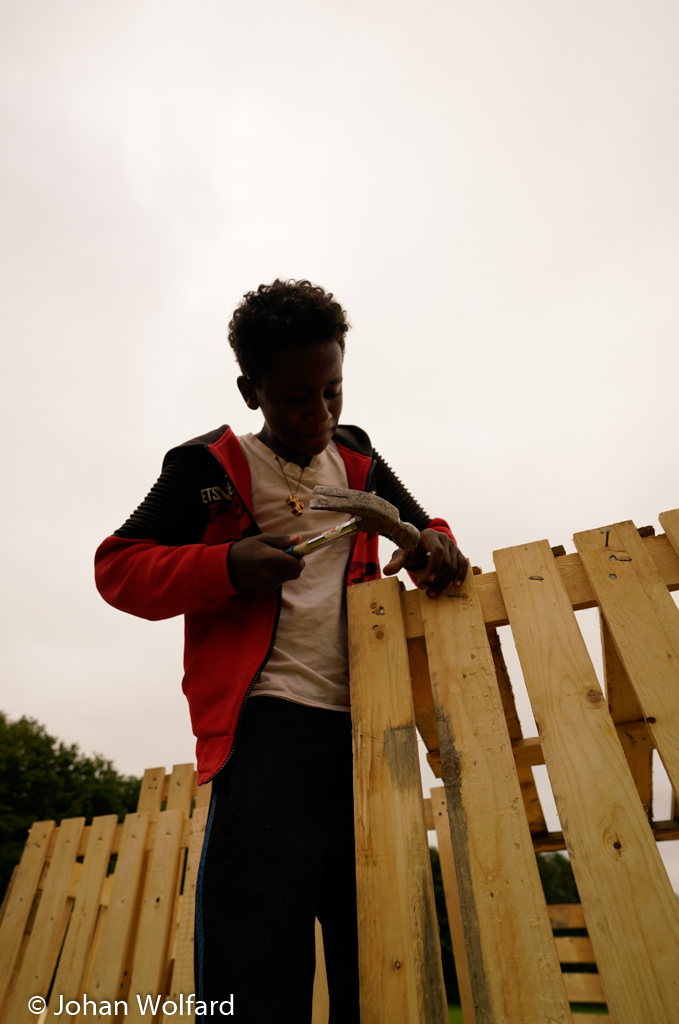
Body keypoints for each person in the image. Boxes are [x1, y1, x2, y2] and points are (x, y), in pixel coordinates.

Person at [95, 278, 467, 1023]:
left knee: (381, 960)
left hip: (370, 732)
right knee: (256, 969)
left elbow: (427, 528)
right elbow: (119, 568)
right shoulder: (207, 469)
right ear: (251, 391)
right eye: (298, 397)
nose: (320, 413)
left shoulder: (358, 460)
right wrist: (226, 564)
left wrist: (436, 547)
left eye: (333, 390)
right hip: (268, 733)